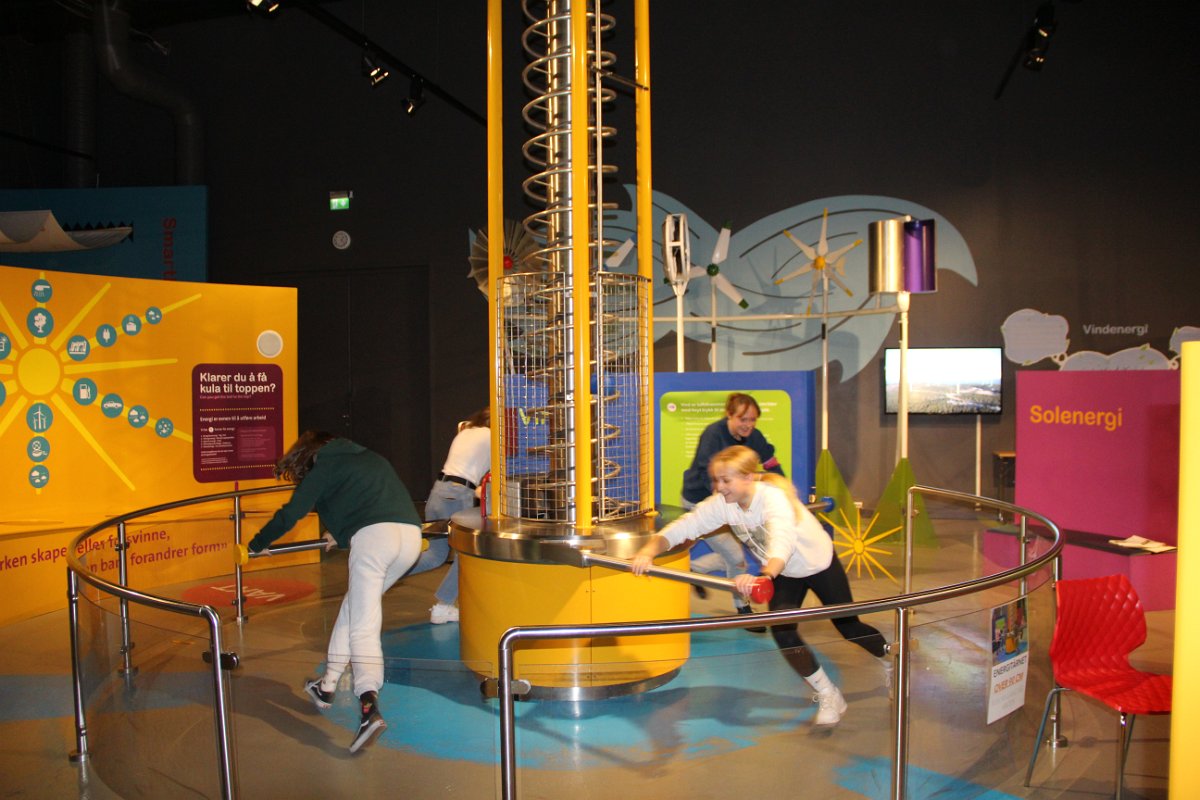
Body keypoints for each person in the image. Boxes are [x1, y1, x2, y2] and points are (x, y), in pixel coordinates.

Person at [633, 445, 891, 728]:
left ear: (747, 478)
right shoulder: (722, 504)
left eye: (726, 480)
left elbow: (782, 540)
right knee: (783, 632)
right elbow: (685, 526)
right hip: (784, 572)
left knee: (849, 627)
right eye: (716, 480)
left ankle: (890, 659)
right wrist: (648, 551)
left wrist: (765, 576)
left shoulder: (772, 498)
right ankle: (829, 694)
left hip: (817, 563)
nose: (719, 487)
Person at [247, 431, 422, 753]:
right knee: (354, 608)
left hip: (375, 541)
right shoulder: (370, 457)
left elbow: (292, 513)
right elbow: (366, 502)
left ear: (310, 453)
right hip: (410, 537)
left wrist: (257, 544)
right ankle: (327, 685)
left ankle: (368, 704)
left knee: (363, 625)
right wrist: (339, 534)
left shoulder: (325, 465)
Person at [680, 392, 783, 628]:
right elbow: (709, 475)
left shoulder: (754, 437)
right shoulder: (713, 435)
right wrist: (729, 504)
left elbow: (771, 463)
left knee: (733, 555)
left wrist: (783, 490)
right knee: (736, 557)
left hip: (730, 503)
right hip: (702, 501)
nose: (748, 425)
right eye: (742, 419)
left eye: (753, 420)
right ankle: (742, 609)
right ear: (729, 415)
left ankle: (692, 570)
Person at [423, 407, 491, 624]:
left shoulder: (467, 431)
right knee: (467, 555)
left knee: (435, 555)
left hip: (438, 492)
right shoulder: (491, 436)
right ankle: (443, 606)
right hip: (457, 494)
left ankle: (384, 576)